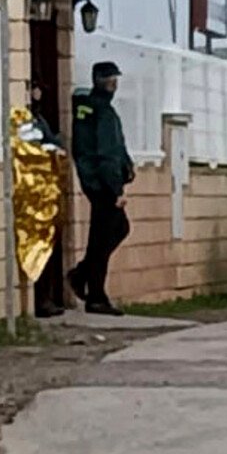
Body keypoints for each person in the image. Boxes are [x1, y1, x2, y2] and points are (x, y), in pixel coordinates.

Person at [69, 61, 134, 316]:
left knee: (111, 232)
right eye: (110, 80)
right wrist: (116, 188)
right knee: (107, 234)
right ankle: (93, 292)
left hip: (95, 181)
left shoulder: (89, 107)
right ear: (100, 81)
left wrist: (126, 165)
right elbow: (107, 152)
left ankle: (83, 276)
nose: (114, 84)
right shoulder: (103, 112)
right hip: (103, 184)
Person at [25, 80, 66, 318]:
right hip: (33, 189)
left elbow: (53, 141)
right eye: (33, 88)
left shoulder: (39, 119)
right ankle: (41, 300)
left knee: (49, 244)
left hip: (47, 188)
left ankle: (46, 297)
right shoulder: (25, 119)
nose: (37, 92)